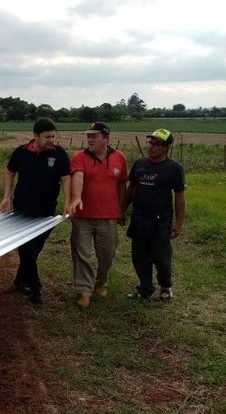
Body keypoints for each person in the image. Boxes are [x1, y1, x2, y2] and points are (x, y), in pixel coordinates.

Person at [0, 118, 71, 304]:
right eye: (47, 137)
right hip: (22, 211)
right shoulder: (21, 153)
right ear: (35, 136)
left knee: (35, 250)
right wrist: (6, 197)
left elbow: (65, 178)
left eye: (54, 136)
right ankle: (36, 288)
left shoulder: (59, 154)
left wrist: (68, 201)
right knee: (27, 250)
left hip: (46, 212)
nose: (52, 141)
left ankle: (19, 281)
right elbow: (9, 172)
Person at [68, 122, 128, 308]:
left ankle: (101, 282)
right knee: (81, 254)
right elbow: (77, 176)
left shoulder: (120, 158)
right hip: (83, 216)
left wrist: (121, 209)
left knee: (107, 255)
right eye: (88, 136)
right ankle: (84, 291)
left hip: (109, 217)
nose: (90, 139)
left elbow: (121, 184)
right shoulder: (79, 156)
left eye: (94, 136)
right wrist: (76, 198)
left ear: (106, 138)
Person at [122, 128, 185, 301]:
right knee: (139, 256)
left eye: (157, 144)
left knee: (161, 257)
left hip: (161, 221)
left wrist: (178, 224)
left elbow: (179, 197)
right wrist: (121, 210)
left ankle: (166, 287)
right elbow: (131, 189)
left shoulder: (174, 168)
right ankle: (145, 288)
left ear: (166, 148)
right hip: (139, 218)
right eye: (150, 142)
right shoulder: (140, 164)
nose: (152, 147)